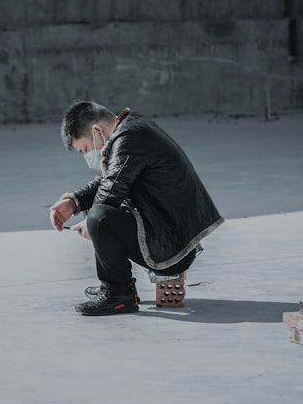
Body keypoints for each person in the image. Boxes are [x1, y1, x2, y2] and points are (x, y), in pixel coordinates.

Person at [49, 102, 223, 316]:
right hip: (172, 235)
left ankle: (119, 294)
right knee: (95, 209)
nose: (88, 156)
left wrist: (91, 223)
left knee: (99, 217)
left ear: (96, 131)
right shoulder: (132, 127)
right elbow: (111, 180)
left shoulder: (130, 138)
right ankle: (112, 286)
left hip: (173, 249)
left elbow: (111, 189)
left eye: (85, 149)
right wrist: (74, 202)